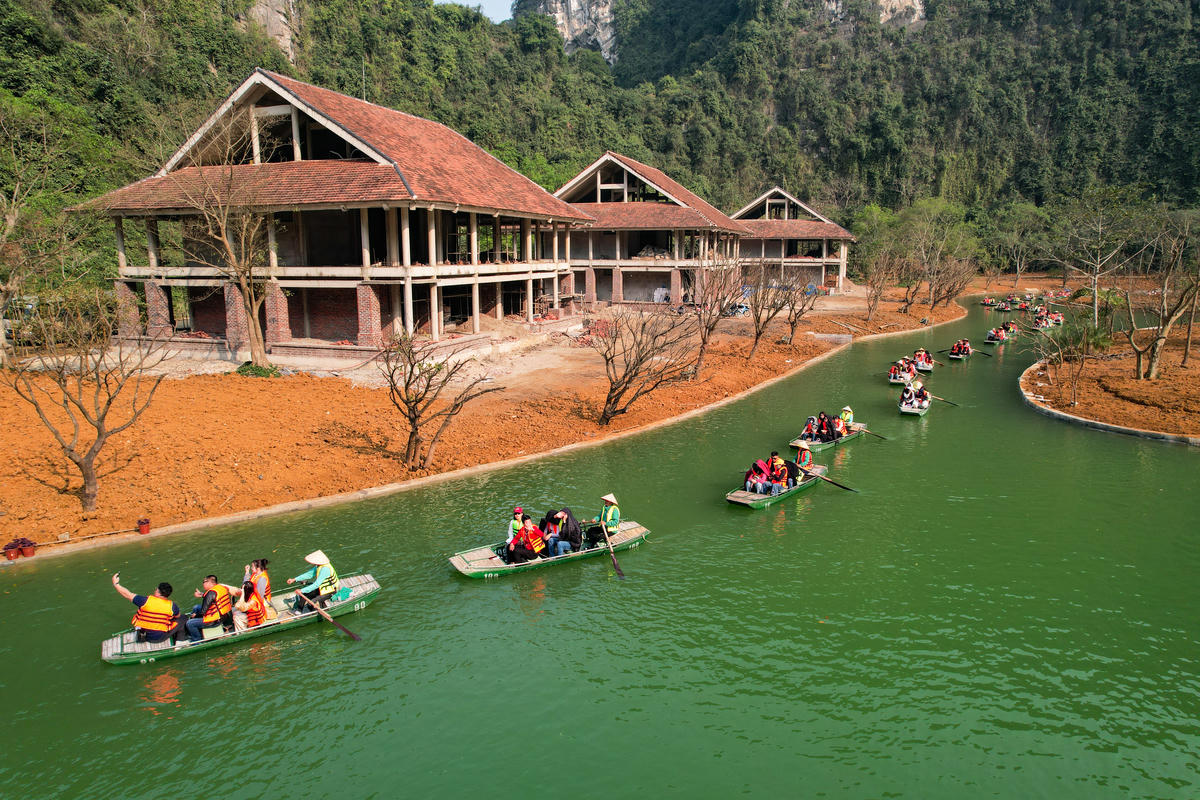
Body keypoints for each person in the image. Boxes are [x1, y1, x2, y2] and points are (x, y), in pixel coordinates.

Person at [112, 572, 183, 644]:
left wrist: (116, 584)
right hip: (157, 638)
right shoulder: (172, 606)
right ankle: (181, 640)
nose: (155, 590)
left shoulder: (144, 601)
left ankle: (141, 633)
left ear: (158, 592)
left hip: (144, 632)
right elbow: (178, 616)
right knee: (183, 618)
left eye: (156, 589)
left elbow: (127, 594)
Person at [185, 574, 236, 642]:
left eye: (204, 582)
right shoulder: (220, 588)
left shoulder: (211, 593)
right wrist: (202, 594)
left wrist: (196, 615)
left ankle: (196, 640)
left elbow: (203, 612)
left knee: (189, 623)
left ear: (209, 582)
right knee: (196, 607)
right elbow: (214, 598)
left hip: (215, 620)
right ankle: (197, 628)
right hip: (224, 616)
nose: (203, 584)